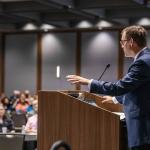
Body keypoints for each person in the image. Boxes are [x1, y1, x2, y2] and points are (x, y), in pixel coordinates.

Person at [66, 25, 150, 150]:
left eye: (122, 41)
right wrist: (116, 99)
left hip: (143, 129)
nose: (121, 46)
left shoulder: (142, 62)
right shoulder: (145, 59)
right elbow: (138, 88)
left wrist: (89, 82)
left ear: (131, 42)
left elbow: (119, 87)